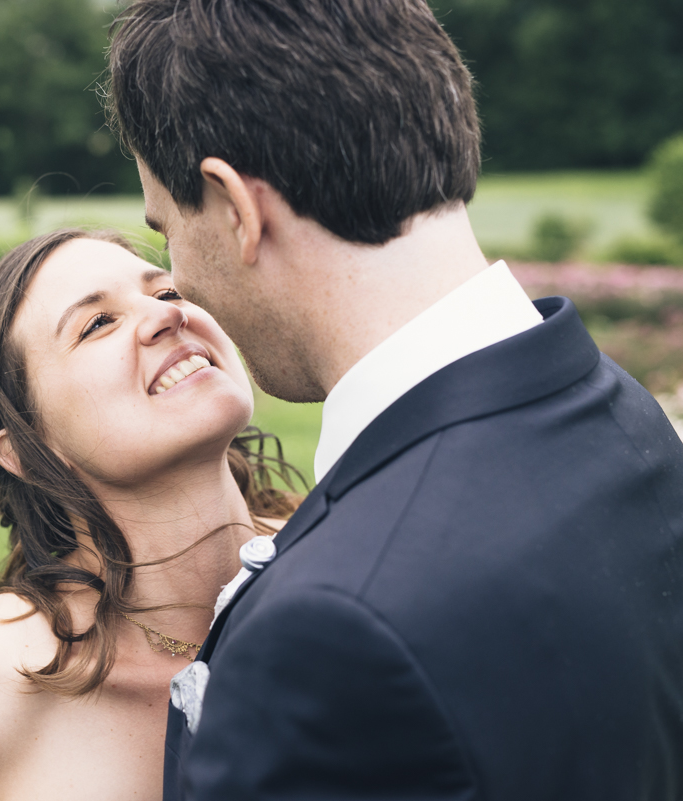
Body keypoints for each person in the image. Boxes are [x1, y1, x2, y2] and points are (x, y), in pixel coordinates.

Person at [105, 1, 683, 799]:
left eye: (167, 227)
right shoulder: (626, 417)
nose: (182, 284)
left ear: (235, 207)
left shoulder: (331, 632)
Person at [0, 228, 304, 800]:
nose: (164, 317)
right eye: (98, 323)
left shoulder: (352, 554)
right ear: (28, 448)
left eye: (168, 293)